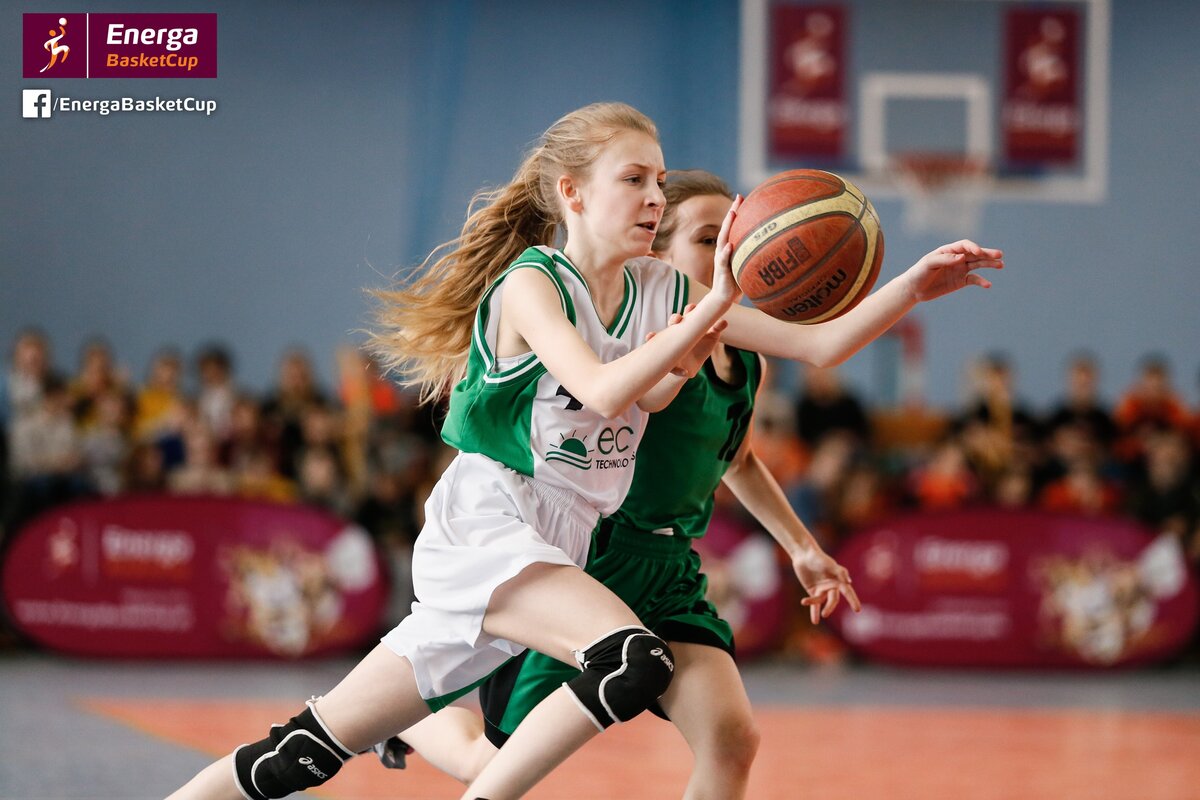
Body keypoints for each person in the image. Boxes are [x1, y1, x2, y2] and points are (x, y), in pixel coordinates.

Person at [168, 102, 1001, 800]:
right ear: (571, 192)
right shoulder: (532, 283)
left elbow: (816, 346)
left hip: (561, 539)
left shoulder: (662, 291)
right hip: (490, 526)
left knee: (298, 756)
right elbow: (601, 390)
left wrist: (915, 283)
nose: (653, 197)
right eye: (633, 180)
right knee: (631, 660)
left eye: (659, 181)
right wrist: (710, 306)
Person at [379, 169, 862, 799]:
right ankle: (403, 718)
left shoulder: (747, 359)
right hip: (590, 561)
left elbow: (739, 460)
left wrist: (801, 546)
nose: (728, 257)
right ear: (656, 258)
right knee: (489, 764)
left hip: (669, 570)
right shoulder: (634, 342)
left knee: (732, 739)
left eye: (737, 241)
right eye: (707, 240)